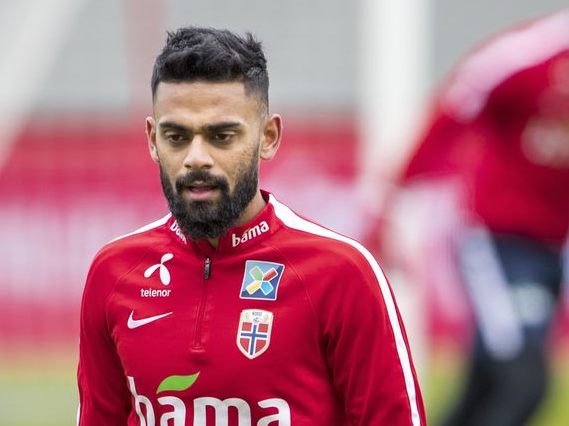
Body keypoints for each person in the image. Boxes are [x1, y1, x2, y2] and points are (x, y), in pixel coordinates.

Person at [77, 27, 426, 425]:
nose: (196, 158)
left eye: (221, 136)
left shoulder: (341, 273)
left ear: (269, 137)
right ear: (153, 140)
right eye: (177, 136)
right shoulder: (115, 272)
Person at [398, 0, 569, 425]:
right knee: (523, 380)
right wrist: (397, 191)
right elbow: (461, 98)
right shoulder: (538, 52)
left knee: (486, 386)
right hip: (495, 239)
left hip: (555, 247)